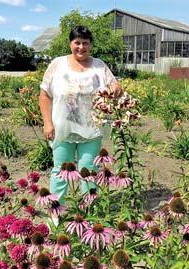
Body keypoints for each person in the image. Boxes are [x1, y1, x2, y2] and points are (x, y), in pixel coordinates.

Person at [39, 25, 121, 203]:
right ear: (70, 43)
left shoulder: (99, 66)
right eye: (77, 42)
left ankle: (89, 210)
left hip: (91, 128)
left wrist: (115, 88)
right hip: (62, 127)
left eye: (85, 43)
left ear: (90, 44)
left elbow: (114, 86)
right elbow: (44, 95)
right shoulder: (57, 65)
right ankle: (56, 210)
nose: (81, 47)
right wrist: (47, 123)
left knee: (89, 170)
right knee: (61, 170)